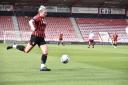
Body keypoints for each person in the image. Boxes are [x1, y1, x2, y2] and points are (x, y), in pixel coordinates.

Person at [7, 5, 51, 71]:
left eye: (46, 12)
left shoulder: (42, 18)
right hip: (35, 37)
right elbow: (30, 21)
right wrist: (32, 27)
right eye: (45, 12)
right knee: (26, 50)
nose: (46, 14)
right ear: (40, 12)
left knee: (45, 52)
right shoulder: (37, 17)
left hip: (41, 38)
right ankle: (14, 45)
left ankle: (42, 67)